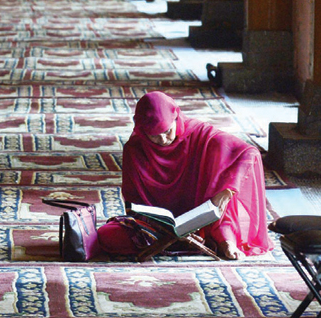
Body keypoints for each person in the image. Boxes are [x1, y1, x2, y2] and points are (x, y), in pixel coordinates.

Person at [99, 91, 272, 259]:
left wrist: (226, 192)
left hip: (201, 221)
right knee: (106, 236)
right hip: (156, 225)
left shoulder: (199, 134)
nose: (163, 140)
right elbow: (133, 202)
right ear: (142, 131)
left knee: (221, 183)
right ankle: (178, 240)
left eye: (167, 131)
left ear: (176, 117)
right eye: (154, 136)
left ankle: (223, 240)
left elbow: (247, 153)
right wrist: (157, 224)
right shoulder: (134, 149)